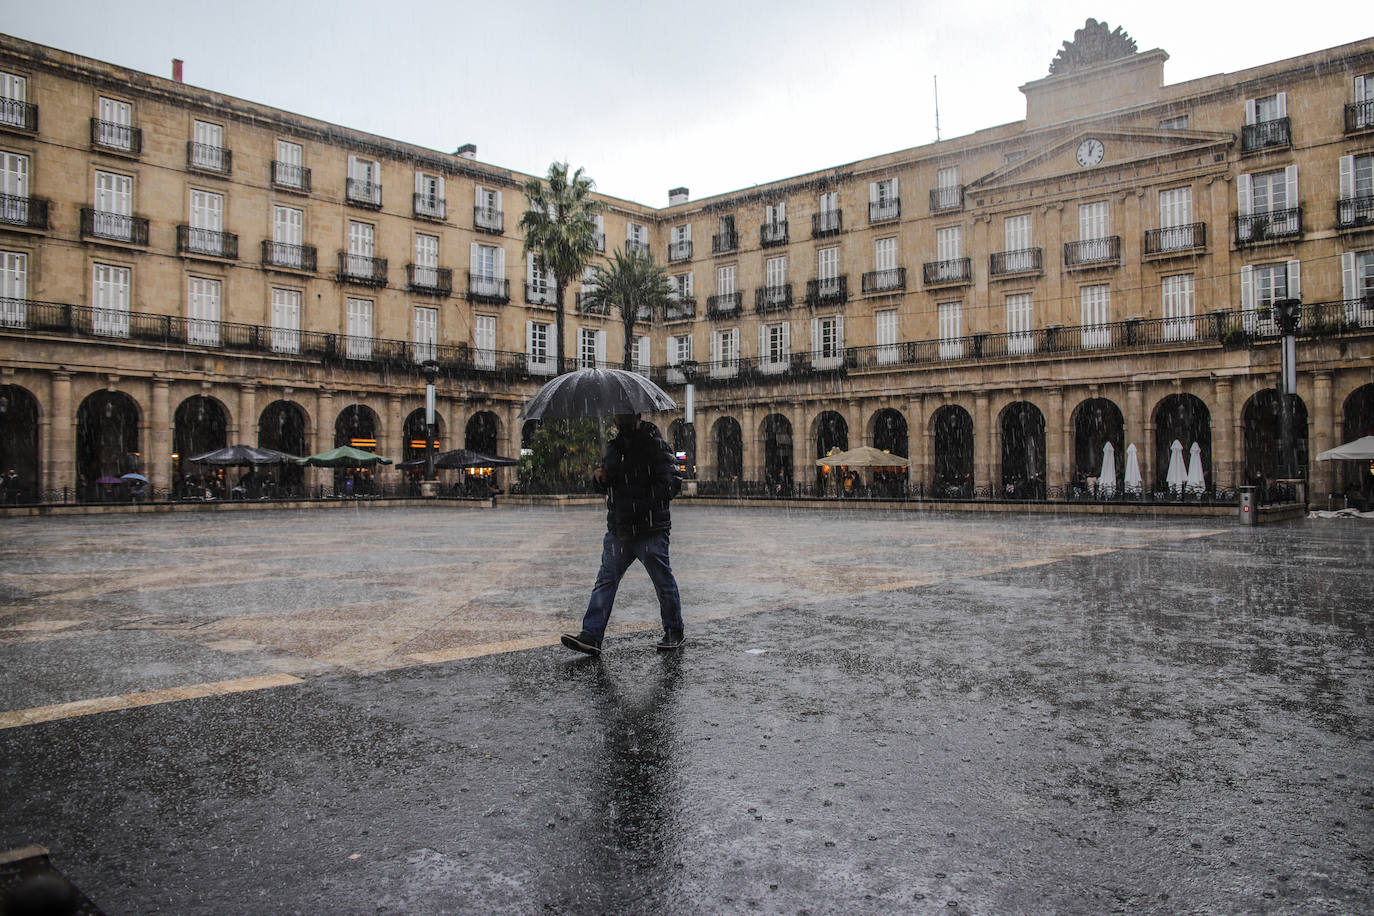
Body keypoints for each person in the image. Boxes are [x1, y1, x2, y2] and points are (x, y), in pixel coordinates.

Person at [562, 413, 684, 656]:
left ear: (637, 416)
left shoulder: (655, 446)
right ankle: (592, 635)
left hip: (650, 529)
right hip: (619, 529)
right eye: (618, 417)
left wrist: (639, 499)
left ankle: (674, 631)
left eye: (626, 416)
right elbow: (609, 483)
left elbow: (672, 484)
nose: (621, 421)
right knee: (605, 581)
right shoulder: (614, 447)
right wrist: (600, 479)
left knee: (662, 582)